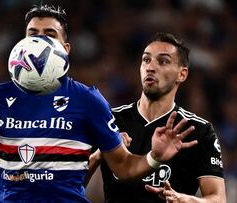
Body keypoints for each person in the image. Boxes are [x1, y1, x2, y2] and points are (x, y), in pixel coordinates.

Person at [0, 5, 196, 203]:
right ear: (21, 43)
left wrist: (154, 156)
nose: (40, 40)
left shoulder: (87, 100)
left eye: (50, 34)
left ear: (66, 48)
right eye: (33, 34)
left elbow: (125, 166)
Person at [91, 32, 226, 202]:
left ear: (182, 74)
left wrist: (184, 199)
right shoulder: (110, 120)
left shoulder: (198, 130)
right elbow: (71, 183)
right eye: (146, 60)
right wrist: (98, 155)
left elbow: (218, 198)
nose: (150, 67)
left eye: (163, 61)